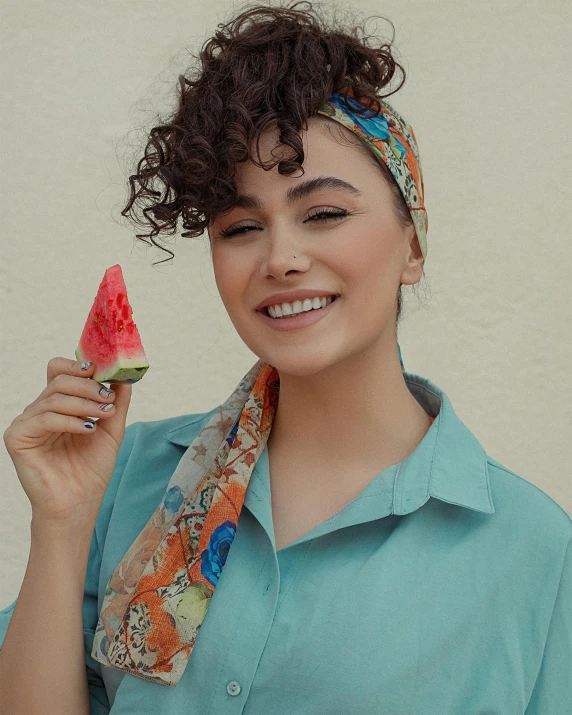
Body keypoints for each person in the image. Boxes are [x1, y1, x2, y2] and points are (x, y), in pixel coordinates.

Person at [0, 3, 570, 714]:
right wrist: (60, 522)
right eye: (242, 226)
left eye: (323, 213)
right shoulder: (126, 477)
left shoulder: (533, 552)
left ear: (413, 244)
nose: (282, 258)